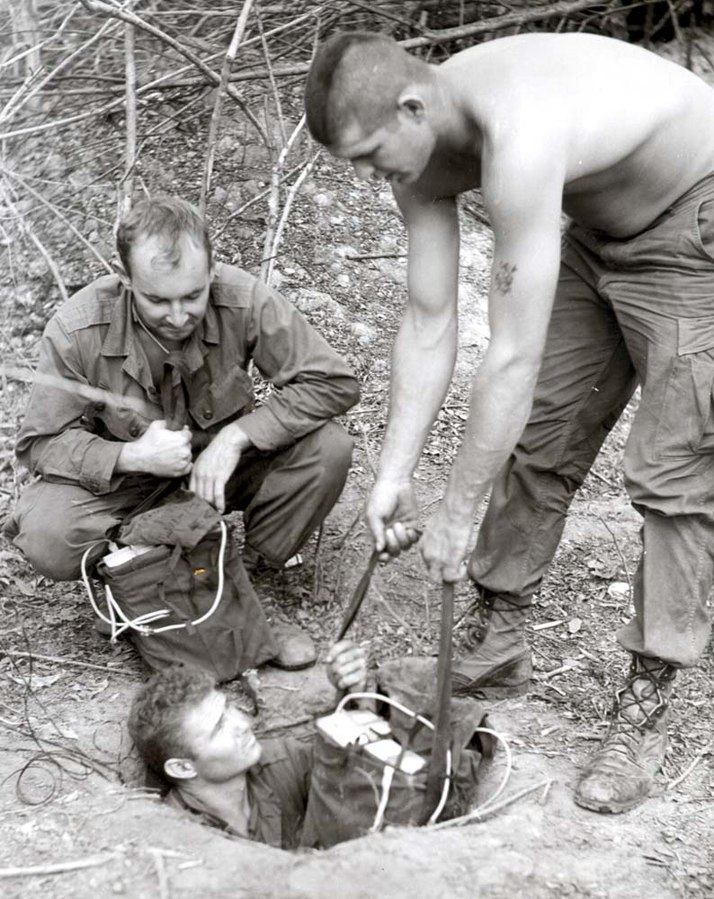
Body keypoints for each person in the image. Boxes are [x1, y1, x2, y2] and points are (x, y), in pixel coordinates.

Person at [303, 30, 714, 813]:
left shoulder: (518, 131)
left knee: (674, 473)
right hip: (599, 233)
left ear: (413, 105)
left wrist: (457, 513)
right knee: (538, 437)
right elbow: (429, 320)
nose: (366, 177)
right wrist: (393, 475)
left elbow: (510, 356)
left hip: (697, 222)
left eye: (368, 153)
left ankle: (645, 707)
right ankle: (498, 636)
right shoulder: (416, 152)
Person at [3, 195, 360, 668]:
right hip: (129, 489)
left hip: (219, 473)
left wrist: (239, 437)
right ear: (127, 281)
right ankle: (138, 583)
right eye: (157, 300)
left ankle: (243, 580)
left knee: (327, 450)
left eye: (192, 296)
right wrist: (130, 457)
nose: (177, 315)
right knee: (47, 531)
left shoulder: (243, 297)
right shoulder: (77, 328)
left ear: (211, 270)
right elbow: (42, 444)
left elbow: (332, 383)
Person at [127, 639, 367, 849]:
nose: (243, 723)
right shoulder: (176, 838)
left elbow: (348, 765)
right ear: (182, 768)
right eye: (219, 726)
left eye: (229, 708)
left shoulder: (276, 760)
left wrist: (356, 695)